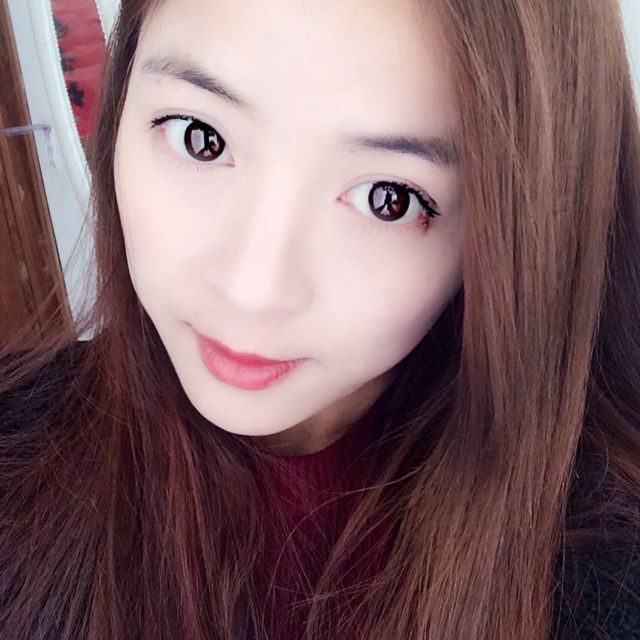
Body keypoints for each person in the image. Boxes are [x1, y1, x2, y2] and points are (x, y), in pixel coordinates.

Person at [1, 0, 640, 638]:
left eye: (388, 199)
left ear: (518, 232)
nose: (252, 290)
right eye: (201, 137)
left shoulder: (605, 560)